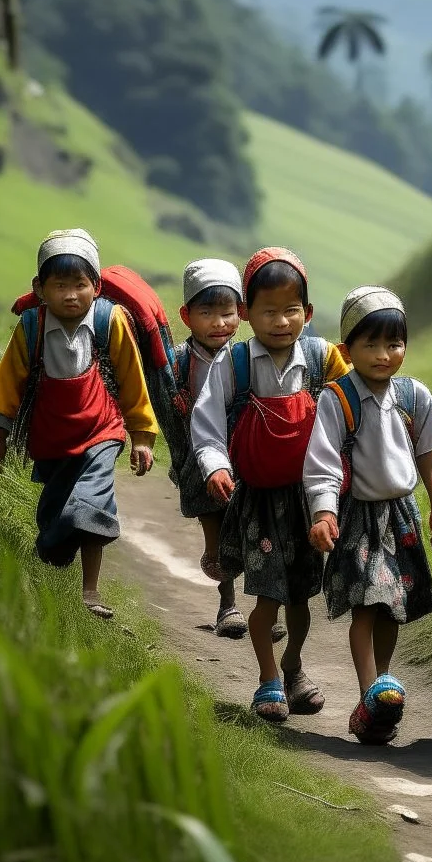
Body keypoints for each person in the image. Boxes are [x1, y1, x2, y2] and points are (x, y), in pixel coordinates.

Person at [191, 247, 348, 722]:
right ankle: (268, 678)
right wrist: (215, 465)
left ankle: (295, 666)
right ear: (245, 313)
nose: (281, 321)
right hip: (257, 499)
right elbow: (207, 423)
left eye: (291, 310)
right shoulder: (233, 363)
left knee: (301, 595)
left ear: (309, 312)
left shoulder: (324, 359)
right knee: (268, 595)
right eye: (268, 310)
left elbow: (354, 411)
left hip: (309, 498)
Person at [0, 228, 157, 619]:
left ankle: (90, 591)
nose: (71, 295)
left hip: (102, 429)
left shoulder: (110, 322)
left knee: (91, 505)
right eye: (60, 285)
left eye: (80, 284)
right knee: (55, 511)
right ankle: (49, 557)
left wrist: (141, 436)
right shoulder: (31, 327)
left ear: (96, 286)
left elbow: (131, 379)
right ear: (40, 288)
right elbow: (9, 382)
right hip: (52, 433)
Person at [305, 286, 432, 744]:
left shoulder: (413, 396)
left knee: (394, 607)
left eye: (393, 344)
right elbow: (324, 463)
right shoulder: (337, 398)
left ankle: (383, 687)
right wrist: (323, 513)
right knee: (367, 604)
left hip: (402, 516)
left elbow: (427, 455)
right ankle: (370, 692)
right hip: (357, 518)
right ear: (347, 349)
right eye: (370, 344)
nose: (384, 355)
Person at [167, 258, 249, 639]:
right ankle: (227, 602)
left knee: (258, 528)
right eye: (207, 313)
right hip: (202, 464)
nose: (219, 323)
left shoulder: (248, 358)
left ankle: (268, 606)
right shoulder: (179, 363)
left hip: (247, 459)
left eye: (227, 313)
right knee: (217, 535)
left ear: (242, 313)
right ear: (187, 316)